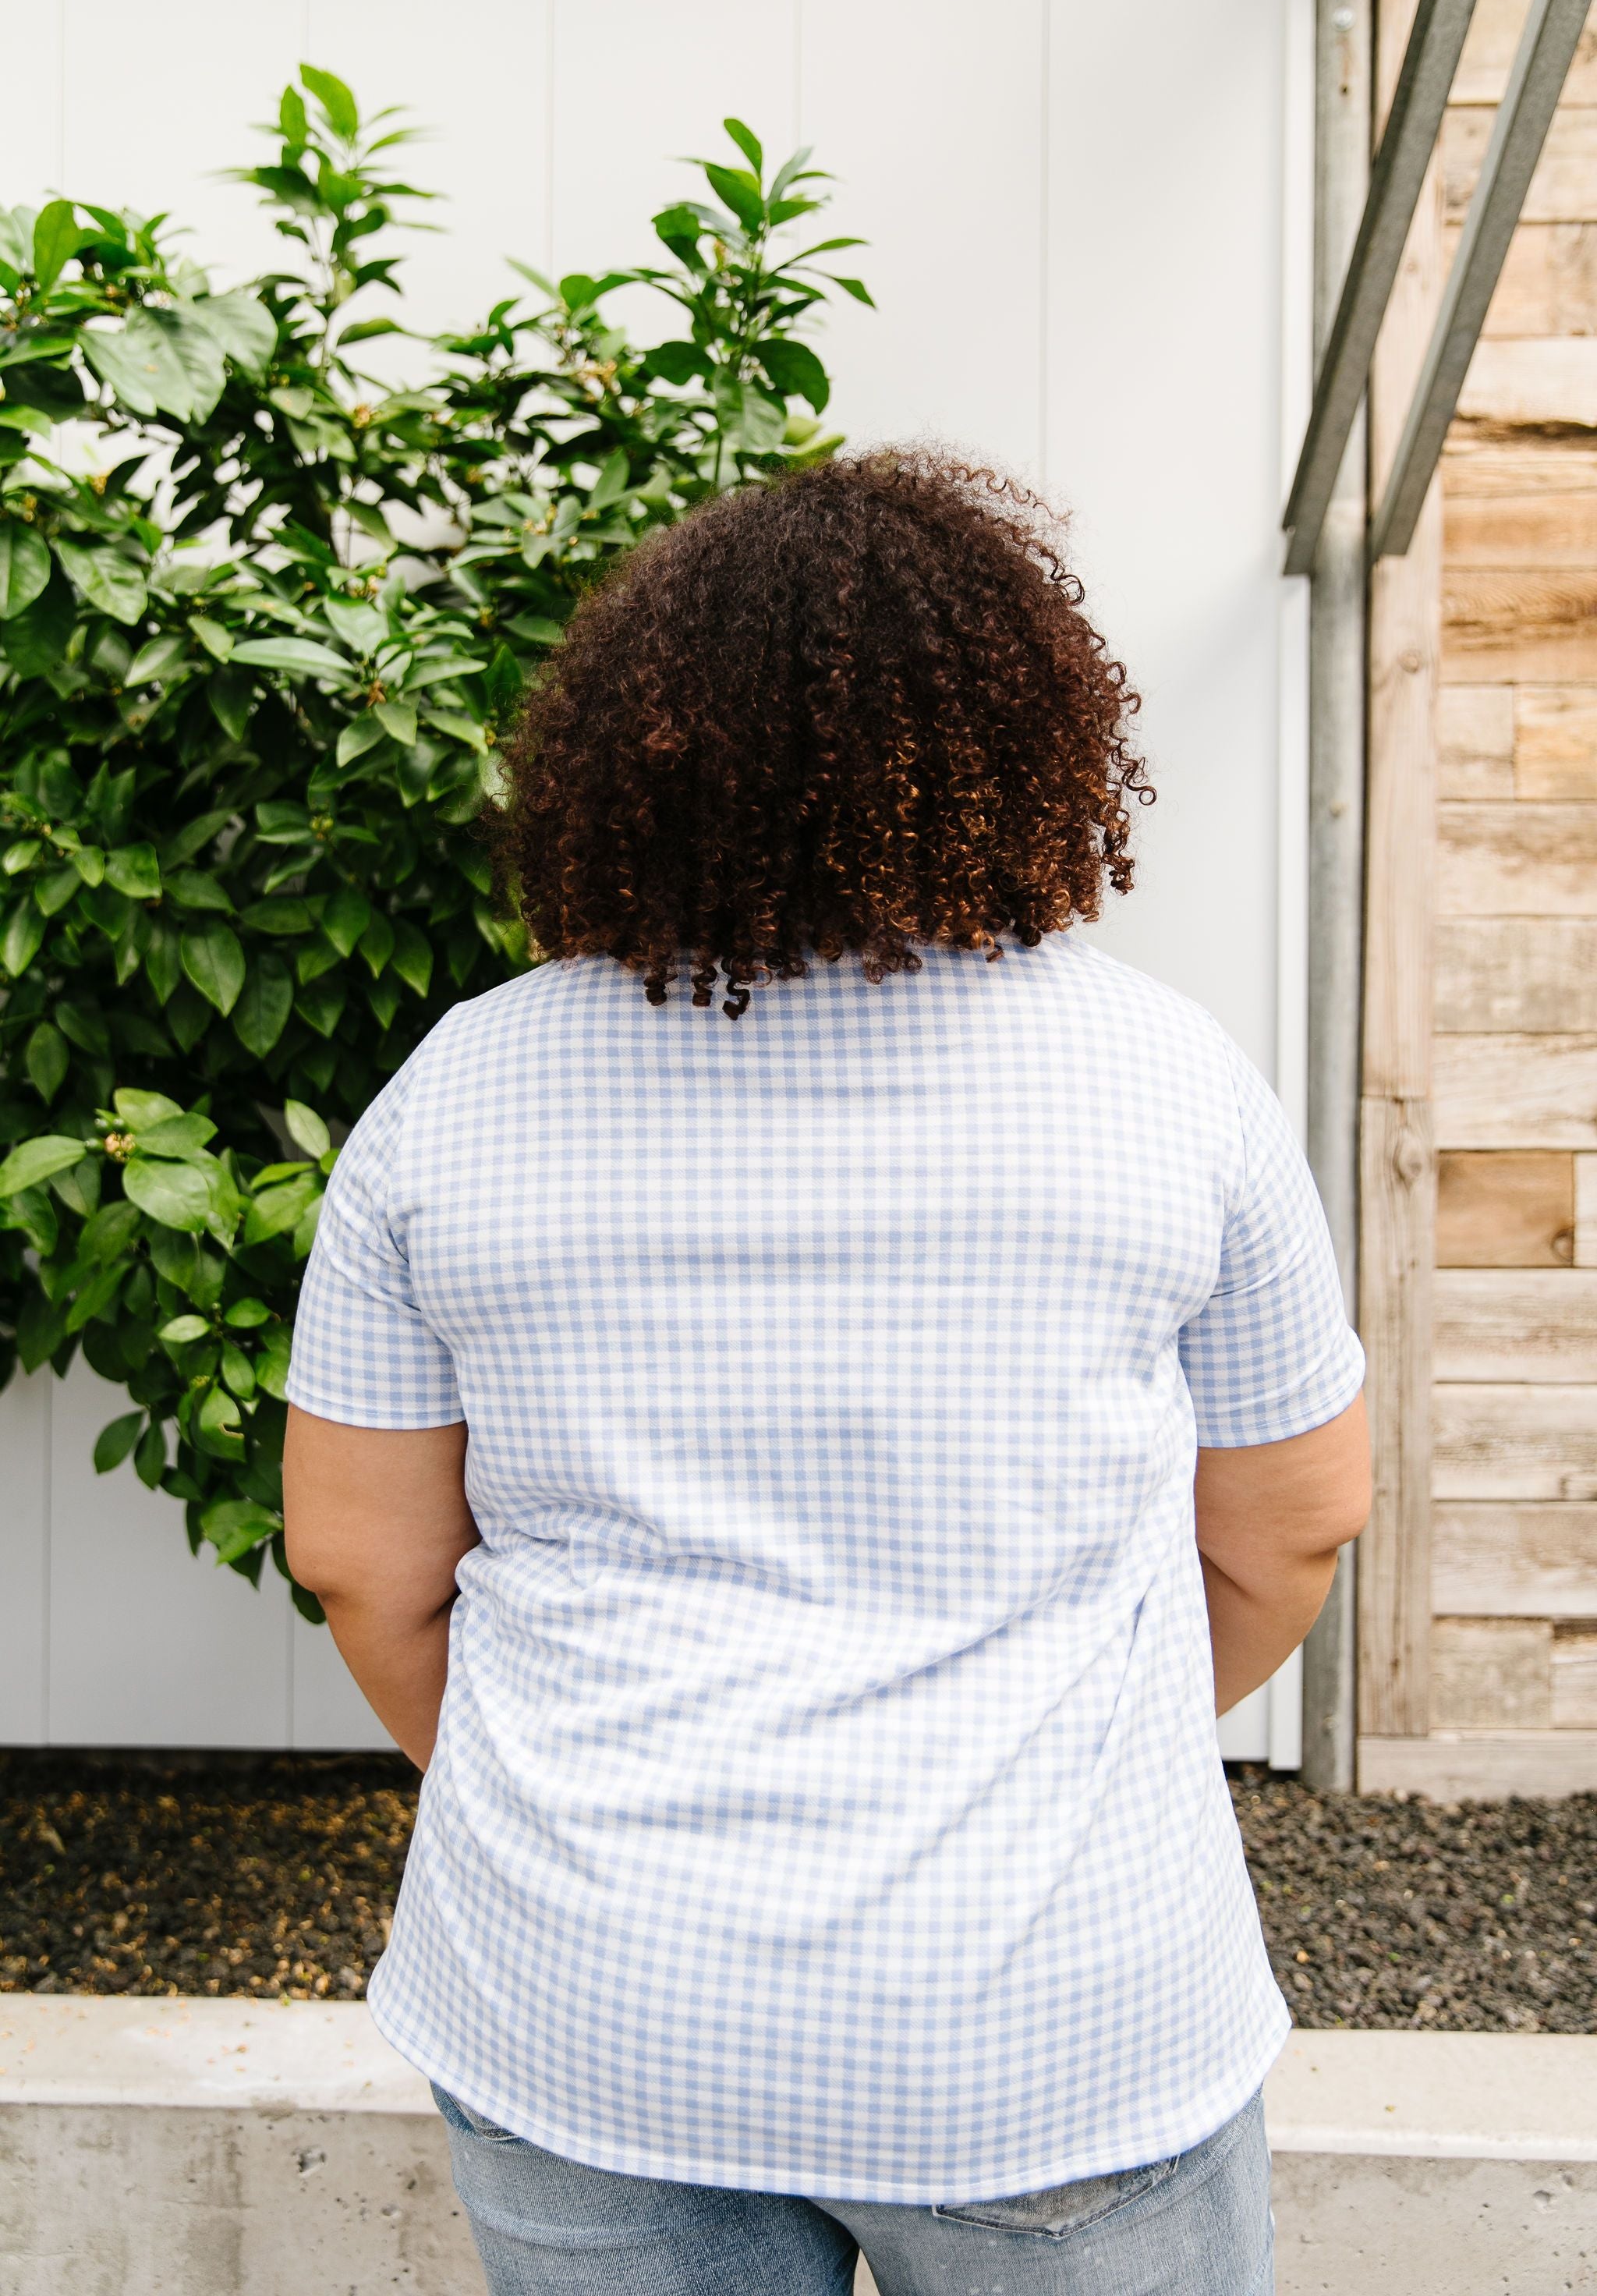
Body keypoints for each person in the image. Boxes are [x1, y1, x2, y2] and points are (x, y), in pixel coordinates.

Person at [283, 451, 1369, 2296]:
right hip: (1053, 2030)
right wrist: (1050, 1774)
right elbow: (1291, 1538)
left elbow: (362, 1567)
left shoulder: (456, 1093)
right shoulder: (1167, 1082)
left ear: (626, 749)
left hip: (588, 2003)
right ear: (1028, 740)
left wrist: (599, 1825)